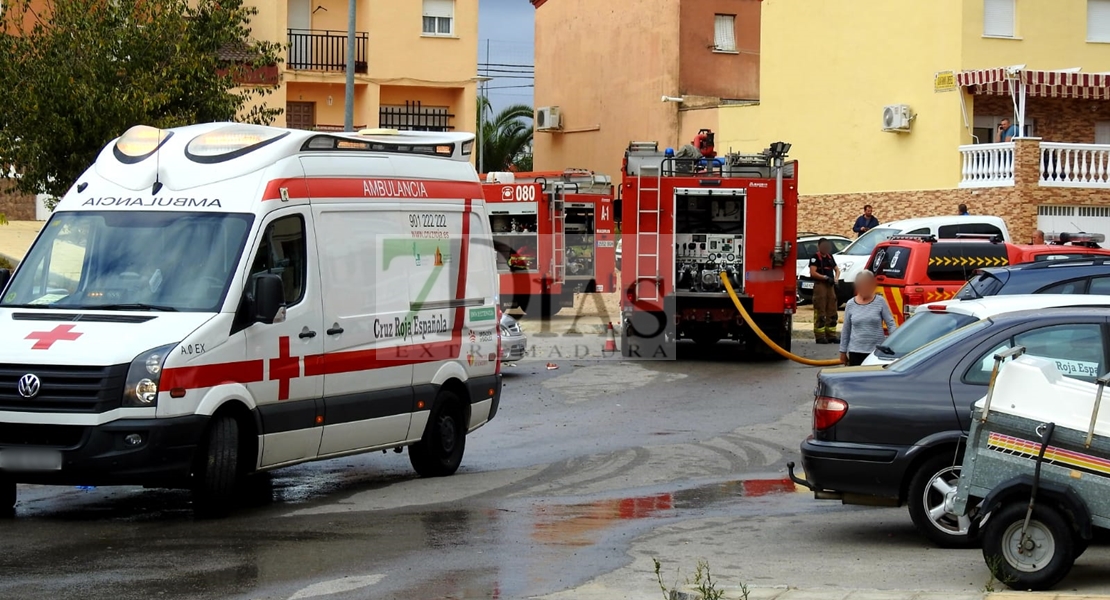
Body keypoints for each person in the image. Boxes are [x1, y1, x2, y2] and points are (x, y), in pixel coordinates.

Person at [839, 270, 898, 366]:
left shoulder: (880, 301)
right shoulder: (850, 304)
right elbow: (846, 329)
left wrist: (895, 343)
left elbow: (890, 324)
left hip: (875, 352)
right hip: (855, 352)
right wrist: (842, 351)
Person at [808, 238, 840, 344]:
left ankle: (831, 335)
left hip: (830, 286)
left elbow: (837, 269)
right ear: (819, 246)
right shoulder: (815, 258)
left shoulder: (830, 257)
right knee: (820, 311)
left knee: (832, 310)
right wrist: (825, 277)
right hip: (820, 286)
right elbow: (813, 272)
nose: (826, 248)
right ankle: (820, 336)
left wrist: (836, 279)